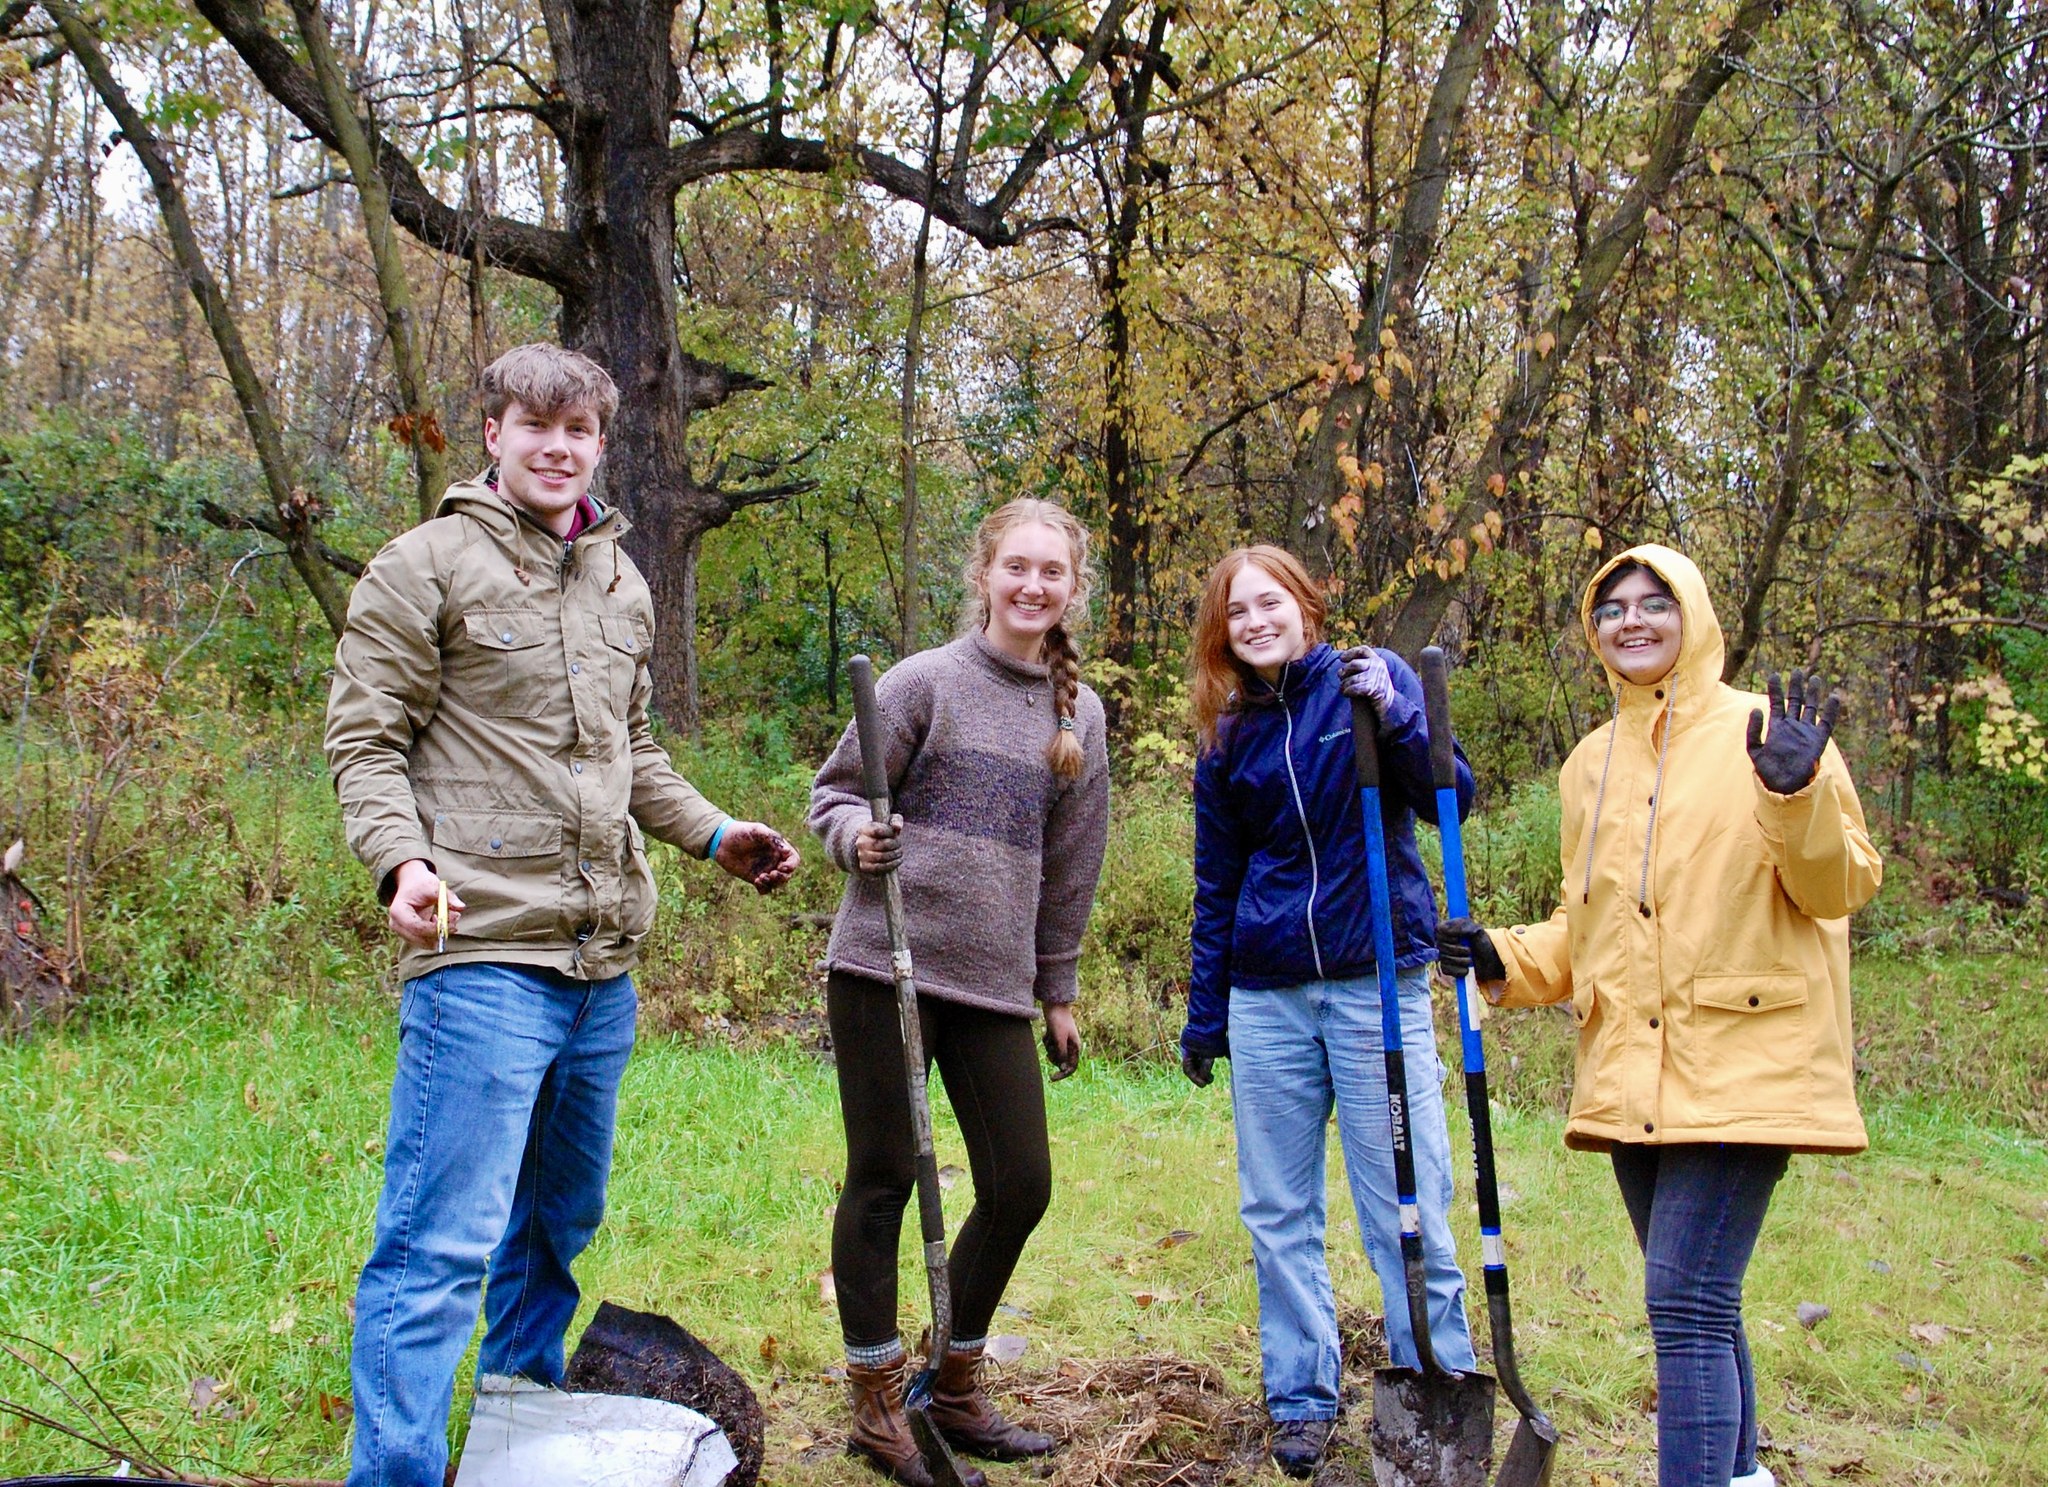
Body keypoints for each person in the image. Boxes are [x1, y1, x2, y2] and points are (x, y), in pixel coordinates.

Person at [325, 343, 801, 1487]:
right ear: (491, 432)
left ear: (599, 441)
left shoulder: (619, 580)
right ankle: (393, 1470)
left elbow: (631, 749)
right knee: (438, 1240)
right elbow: (365, 739)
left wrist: (714, 832)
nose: (557, 447)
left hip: (600, 964)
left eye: (577, 429)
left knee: (554, 1224)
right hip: (482, 952)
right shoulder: (422, 564)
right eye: (533, 424)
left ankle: (516, 1428)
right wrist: (401, 863)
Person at [1436, 544, 1882, 1487]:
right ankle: (1742, 1475)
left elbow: (1839, 887)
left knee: (1683, 1299)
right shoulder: (1590, 763)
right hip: (1632, 1067)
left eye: (1654, 603)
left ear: (1694, 614)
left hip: (1746, 1056)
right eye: (1612, 608)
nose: (1631, 621)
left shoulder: (1771, 733)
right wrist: (1505, 956)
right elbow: (1591, 926)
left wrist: (1795, 795)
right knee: (1703, 1300)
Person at [807, 498, 1110, 1487]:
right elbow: (833, 794)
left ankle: (952, 1381)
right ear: (983, 574)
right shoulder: (921, 683)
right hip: (884, 965)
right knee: (884, 1174)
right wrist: (855, 837)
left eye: (1051, 572)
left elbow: (1071, 866)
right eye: (1015, 565)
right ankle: (875, 1400)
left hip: (992, 980)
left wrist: (1057, 991)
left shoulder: (1079, 715)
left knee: (1020, 1182)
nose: (1032, 585)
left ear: (1073, 588)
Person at [1178, 544, 1478, 1479]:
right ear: (1222, 633)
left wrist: (1396, 714)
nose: (1255, 621)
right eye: (1236, 612)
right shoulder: (1227, 733)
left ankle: (1435, 1378)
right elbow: (1217, 883)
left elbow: (1454, 796)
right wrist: (1205, 1012)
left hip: (1372, 980)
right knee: (1277, 1208)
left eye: (1269, 602)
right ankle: (1302, 1395)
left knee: (1405, 1203)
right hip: (1267, 993)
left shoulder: (1367, 680)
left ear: (1306, 606)